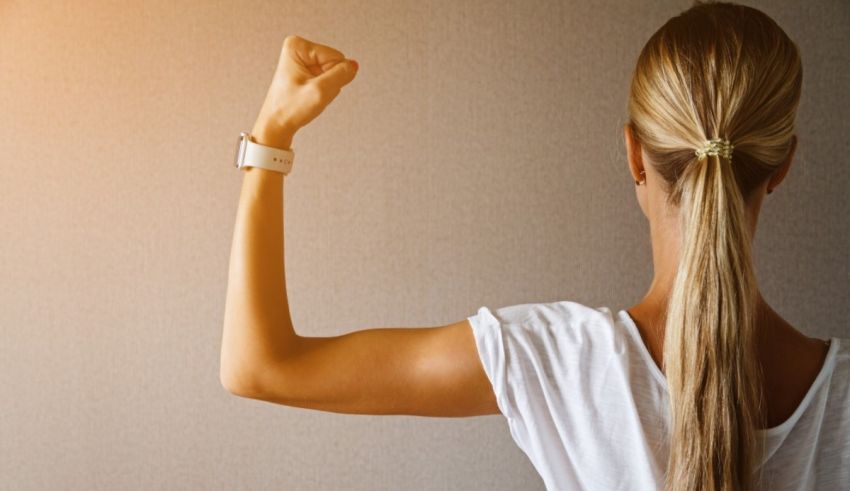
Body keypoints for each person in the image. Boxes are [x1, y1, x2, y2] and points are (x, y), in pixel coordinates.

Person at [220, 2, 850, 489]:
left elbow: (261, 367)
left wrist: (270, 136)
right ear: (783, 165)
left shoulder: (553, 361)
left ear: (634, 154)